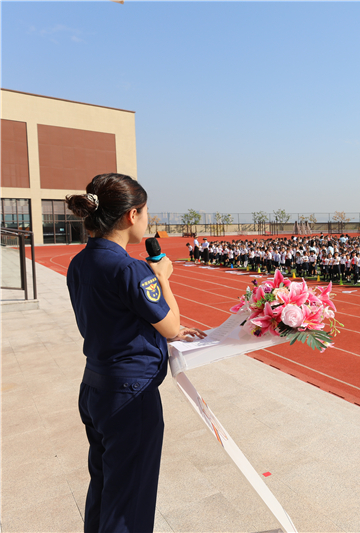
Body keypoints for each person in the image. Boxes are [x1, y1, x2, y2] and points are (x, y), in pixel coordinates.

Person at [66, 174, 205, 533]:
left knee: (105, 488)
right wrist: (163, 277)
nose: (148, 221)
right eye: (146, 213)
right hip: (130, 397)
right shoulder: (130, 268)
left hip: (95, 387)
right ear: (131, 216)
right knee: (130, 503)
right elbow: (172, 326)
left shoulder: (80, 262)